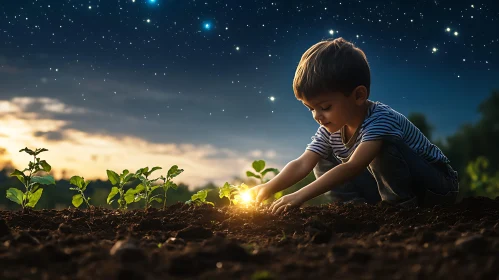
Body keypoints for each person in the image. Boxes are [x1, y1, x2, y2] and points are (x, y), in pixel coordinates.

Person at [250, 37, 459, 215]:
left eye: (325, 107)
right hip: (390, 187)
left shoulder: (380, 119)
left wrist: (299, 196)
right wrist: (269, 187)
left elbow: (353, 166)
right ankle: (356, 210)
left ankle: (400, 211)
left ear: (358, 95)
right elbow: (303, 163)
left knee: (382, 149)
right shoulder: (330, 130)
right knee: (322, 159)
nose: (317, 116)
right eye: (310, 109)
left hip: (435, 188)